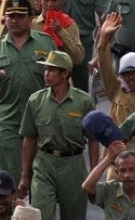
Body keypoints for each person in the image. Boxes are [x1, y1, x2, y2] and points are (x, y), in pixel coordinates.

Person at [0, 0, 56, 184]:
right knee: (11, 178)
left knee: (41, 178)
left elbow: (59, 80)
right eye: (10, 16)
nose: (14, 20)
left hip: (41, 119)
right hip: (9, 121)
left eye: (20, 16)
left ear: (31, 18)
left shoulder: (46, 43)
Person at [18, 51, 97, 219]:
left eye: (52, 70)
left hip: (73, 165)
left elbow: (93, 139)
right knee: (41, 213)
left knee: (73, 215)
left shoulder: (83, 101)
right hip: (44, 164)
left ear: (65, 73)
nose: (46, 74)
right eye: (45, 69)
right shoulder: (35, 101)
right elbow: (29, 138)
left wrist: (94, 172)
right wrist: (25, 176)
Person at [82, 148, 135, 219]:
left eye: (132, 170)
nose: (127, 175)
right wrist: (109, 158)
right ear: (117, 172)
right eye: (122, 170)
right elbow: (87, 186)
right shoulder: (110, 190)